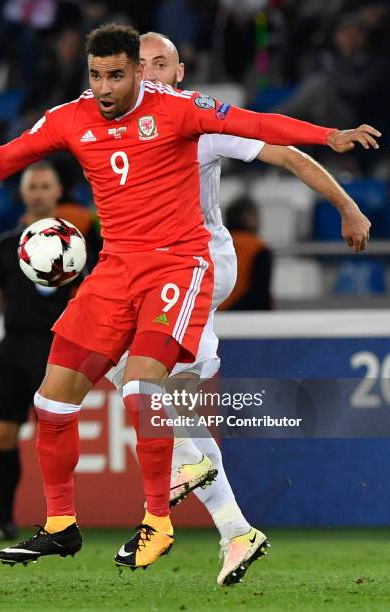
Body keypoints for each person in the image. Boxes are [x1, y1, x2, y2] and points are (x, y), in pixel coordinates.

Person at [0, 24, 379, 572]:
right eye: (96, 75)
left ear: (141, 73)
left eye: (116, 75)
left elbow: (261, 125)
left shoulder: (183, 110)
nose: (104, 87)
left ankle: (160, 520)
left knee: (148, 388)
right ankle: (63, 525)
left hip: (182, 264)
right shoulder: (71, 117)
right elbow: (0, 162)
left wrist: (327, 135)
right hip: (115, 267)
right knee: (54, 399)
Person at [104, 31, 372, 586]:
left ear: (179, 74)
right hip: (155, 273)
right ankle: (235, 530)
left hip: (200, 265)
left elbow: (284, 151)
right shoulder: (112, 125)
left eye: (162, 64)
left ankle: (187, 454)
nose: (151, 73)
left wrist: (347, 206)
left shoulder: (196, 122)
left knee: (148, 381)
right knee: (142, 381)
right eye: (142, 65)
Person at [0, 161, 98, 542]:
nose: (38, 192)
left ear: (57, 192)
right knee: (2, 436)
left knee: (52, 437)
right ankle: (3, 519)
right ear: (23, 193)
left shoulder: (76, 242)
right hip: (13, 346)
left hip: (54, 345)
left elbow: (92, 294)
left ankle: (58, 520)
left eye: (45, 185)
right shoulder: (8, 245)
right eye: (32, 186)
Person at [221, 195, 273, 311]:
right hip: (249, 317)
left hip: (215, 312)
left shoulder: (216, 245)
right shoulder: (258, 248)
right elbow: (259, 293)